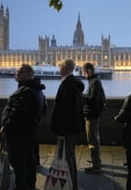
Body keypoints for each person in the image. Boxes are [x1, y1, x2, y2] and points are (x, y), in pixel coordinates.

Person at [0, 64, 45, 190]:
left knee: (19, 163)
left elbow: (16, 113)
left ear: (29, 74)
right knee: (29, 160)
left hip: (19, 134)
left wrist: (6, 128)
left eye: (20, 72)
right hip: (29, 132)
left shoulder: (26, 91)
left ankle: (21, 186)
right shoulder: (37, 90)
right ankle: (30, 185)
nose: (17, 74)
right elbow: (43, 110)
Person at [51, 59, 85, 190]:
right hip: (73, 127)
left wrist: (60, 130)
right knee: (70, 156)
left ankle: (71, 185)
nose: (59, 70)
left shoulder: (67, 85)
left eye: (60, 67)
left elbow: (65, 110)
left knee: (68, 158)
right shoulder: (73, 84)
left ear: (65, 69)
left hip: (67, 129)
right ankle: (71, 184)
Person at [82, 62, 106, 174]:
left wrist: (80, 95)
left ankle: (96, 165)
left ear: (89, 71)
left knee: (92, 140)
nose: (83, 74)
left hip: (92, 114)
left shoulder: (94, 82)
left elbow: (92, 99)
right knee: (94, 138)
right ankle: (95, 160)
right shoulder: (94, 81)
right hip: (92, 113)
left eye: (84, 72)